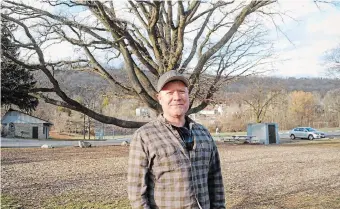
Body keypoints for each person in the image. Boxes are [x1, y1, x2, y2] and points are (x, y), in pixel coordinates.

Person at [127, 70, 225, 209]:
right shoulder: (144, 136)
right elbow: (136, 193)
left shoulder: (204, 133)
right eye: (170, 93)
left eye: (181, 91)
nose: (177, 97)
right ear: (159, 98)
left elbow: (215, 181)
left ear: (188, 96)